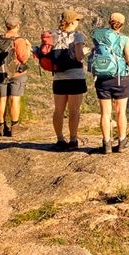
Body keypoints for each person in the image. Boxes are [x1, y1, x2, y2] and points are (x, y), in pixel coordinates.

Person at [92, 12, 129, 154]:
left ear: (109, 22)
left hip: (102, 77)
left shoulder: (97, 36)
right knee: (120, 111)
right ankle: (122, 142)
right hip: (120, 78)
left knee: (105, 113)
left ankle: (106, 144)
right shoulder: (124, 39)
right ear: (122, 24)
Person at [51, 10, 88, 150]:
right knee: (74, 110)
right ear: (72, 22)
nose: (78, 22)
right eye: (77, 20)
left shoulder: (53, 35)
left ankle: (60, 139)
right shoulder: (77, 36)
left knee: (58, 110)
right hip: (75, 77)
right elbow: (78, 56)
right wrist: (84, 52)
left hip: (58, 77)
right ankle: (73, 140)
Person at [0, 17, 31, 137]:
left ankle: (2, 126)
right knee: (15, 99)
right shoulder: (19, 40)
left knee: (3, 99)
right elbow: (23, 58)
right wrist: (28, 46)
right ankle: (15, 126)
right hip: (16, 73)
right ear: (17, 26)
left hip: (2, 73)